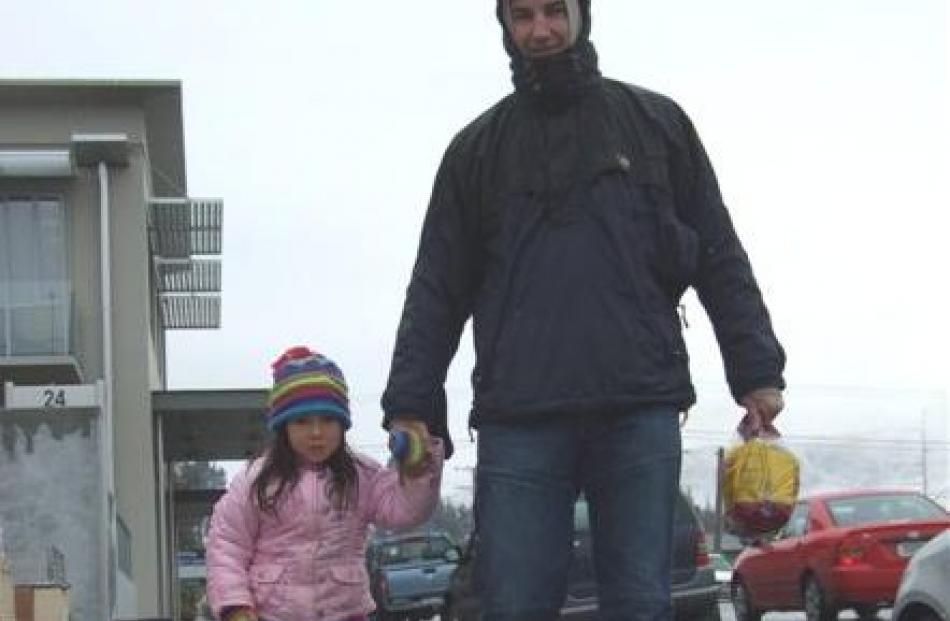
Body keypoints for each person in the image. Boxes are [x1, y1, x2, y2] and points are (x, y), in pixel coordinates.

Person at [381, 0, 786, 619]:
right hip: (519, 416)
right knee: (514, 606)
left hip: (638, 404)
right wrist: (412, 403)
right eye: (523, 16)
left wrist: (755, 369)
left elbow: (718, 252)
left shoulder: (656, 124)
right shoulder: (476, 151)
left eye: (554, 11)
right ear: (505, 26)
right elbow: (436, 285)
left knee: (641, 603)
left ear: (581, 15)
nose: (540, 29)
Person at [207, 346, 443, 621]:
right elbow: (227, 544)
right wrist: (235, 604)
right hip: (271, 614)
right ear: (284, 427)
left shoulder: (361, 475)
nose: (316, 432)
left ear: (343, 425)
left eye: (328, 420)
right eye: (302, 421)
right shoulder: (257, 480)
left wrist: (417, 471)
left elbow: (405, 512)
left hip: (345, 613)